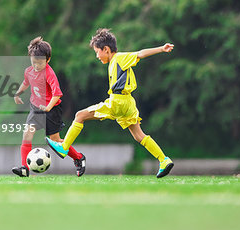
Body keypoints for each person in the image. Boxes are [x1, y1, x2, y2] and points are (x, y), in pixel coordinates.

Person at [47, 29, 174, 178]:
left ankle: (64, 147)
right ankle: (164, 160)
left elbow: (140, 53)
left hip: (118, 101)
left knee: (79, 115)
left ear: (106, 49)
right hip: (129, 103)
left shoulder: (119, 58)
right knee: (139, 136)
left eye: (97, 52)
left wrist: (161, 49)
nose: (97, 56)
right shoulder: (113, 62)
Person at [12, 37, 86, 177]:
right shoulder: (29, 71)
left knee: (56, 141)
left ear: (48, 60)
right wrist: (18, 93)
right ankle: (24, 168)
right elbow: (26, 82)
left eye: (40, 63)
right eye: (33, 62)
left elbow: (57, 94)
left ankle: (78, 158)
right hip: (36, 109)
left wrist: (47, 108)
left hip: (52, 111)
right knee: (27, 134)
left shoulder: (49, 73)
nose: (36, 66)